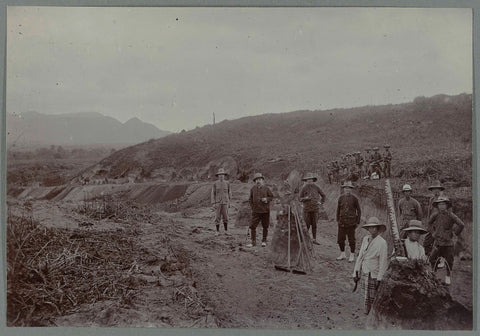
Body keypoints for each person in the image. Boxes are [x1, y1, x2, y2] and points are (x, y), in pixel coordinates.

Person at [352, 217, 388, 315]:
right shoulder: (365, 239)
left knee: (374, 294)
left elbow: (383, 262)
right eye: (370, 228)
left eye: (374, 227)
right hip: (365, 269)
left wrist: (380, 278)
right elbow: (360, 256)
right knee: (366, 292)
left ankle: (374, 312)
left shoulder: (382, 243)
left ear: (378, 228)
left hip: (374, 271)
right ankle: (366, 310)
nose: (372, 230)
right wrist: (356, 271)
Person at [428, 196, 465, 285]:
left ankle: (448, 276)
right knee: (432, 258)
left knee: (449, 260)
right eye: (440, 204)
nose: (441, 206)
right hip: (437, 241)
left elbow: (461, 224)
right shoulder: (435, 215)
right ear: (437, 206)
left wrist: (455, 233)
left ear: (447, 205)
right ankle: (434, 275)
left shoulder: (451, 215)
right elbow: (429, 223)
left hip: (448, 242)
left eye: (443, 204)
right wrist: (433, 232)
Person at [336, 181, 361, 262]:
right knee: (340, 239)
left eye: (349, 188)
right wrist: (337, 219)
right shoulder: (340, 198)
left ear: (351, 189)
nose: (347, 190)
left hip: (351, 223)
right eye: (346, 188)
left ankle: (352, 255)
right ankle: (342, 254)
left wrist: (357, 222)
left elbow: (359, 211)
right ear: (343, 189)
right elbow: (338, 210)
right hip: (342, 222)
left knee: (351, 240)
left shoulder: (354, 199)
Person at [247, 173, 274, 247]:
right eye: (256, 180)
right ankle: (253, 242)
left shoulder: (267, 188)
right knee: (252, 226)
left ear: (262, 180)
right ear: (255, 181)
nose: (258, 181)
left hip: (265, 211)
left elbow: (271, 197)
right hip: (256, 211)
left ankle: (264, 241)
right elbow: (250, 199)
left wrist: (266, 199)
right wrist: (253, 207)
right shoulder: (252, 189)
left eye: (259, 179)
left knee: (265, 226)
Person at [299, 172, 326, 245]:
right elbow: (300, 198)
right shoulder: (304, 188)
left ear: (313, 180)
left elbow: (323, 195)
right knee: (306, 225)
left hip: (315, 209)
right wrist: (306, 198)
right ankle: (305, 239)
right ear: (306, 181)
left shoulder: (316, 187)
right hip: (306, 209)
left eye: (311, 180)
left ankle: (314, 239)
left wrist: (321, 202)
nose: (309, 181)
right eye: (308, 180)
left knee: (314, 225)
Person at [424, 180, 445, 257]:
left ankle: (439, 258)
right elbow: (429, 212)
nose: (436, 191)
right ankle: (428, 256)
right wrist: (428, 224)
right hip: (432, 224)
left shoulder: (443, 200)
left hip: (440, 224)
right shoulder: (431, 200)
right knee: (427, 241)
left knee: (439, 242)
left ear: (440, 190)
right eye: (434, 189)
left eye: (437, 189)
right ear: (432, 190)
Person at [211, 168, 232, 235]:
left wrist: (229, 202)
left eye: (222, 175)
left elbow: (229, 193)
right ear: (218, 176)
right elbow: (213, 193)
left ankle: (226, 231)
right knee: (217, 217)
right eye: (220, 175)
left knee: (226, 217)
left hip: (225, 203)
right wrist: (213, 203)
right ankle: (217, 231)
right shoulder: (215, 184)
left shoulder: (227, 183)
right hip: (218, 203)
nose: (221, 176)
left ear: (224, 175)